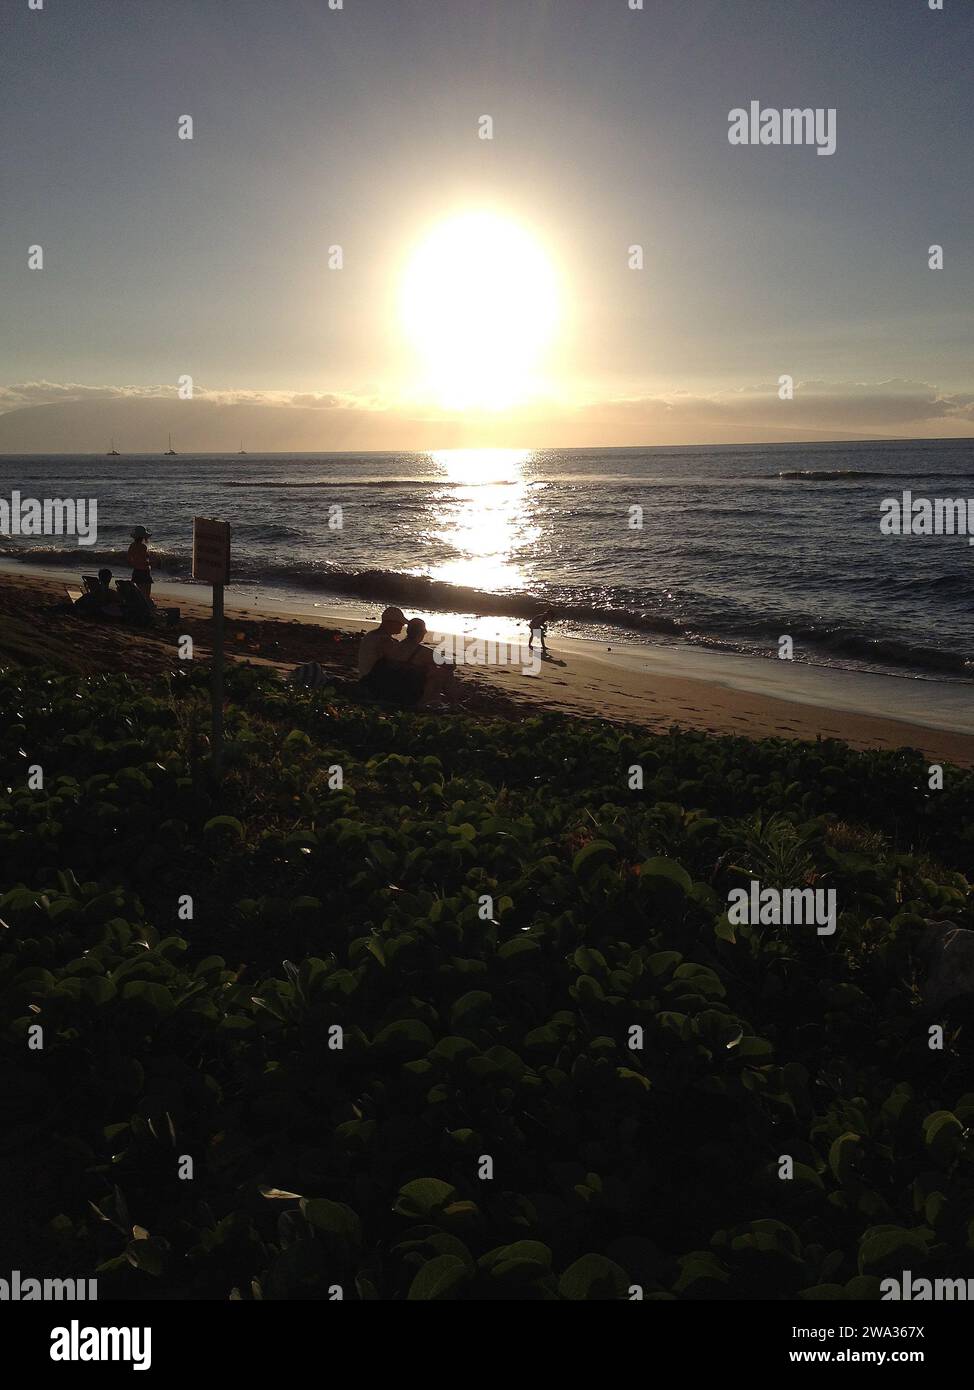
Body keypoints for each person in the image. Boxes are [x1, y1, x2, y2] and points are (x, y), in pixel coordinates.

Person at [358, 606, 423, 705]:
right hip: (373, 682)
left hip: (369, 678)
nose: (402, 626)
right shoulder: (383, 641)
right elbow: (400, 658)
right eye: (400, 623)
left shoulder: (373, 635)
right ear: (390, 623)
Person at [393, 617, 457, 707]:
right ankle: (452, 699)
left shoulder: (395, 646)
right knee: (444, 672)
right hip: (413, 692)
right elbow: (451, 665)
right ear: (422, 632)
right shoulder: (422, 652)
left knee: (429, 667)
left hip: (394, 688)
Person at [126, 526, 153, 599]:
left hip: (136, 571)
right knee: (146, 594)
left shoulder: (132, 546)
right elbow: (145, 560)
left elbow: (128, 558)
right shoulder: (143, 547)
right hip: (144, 571)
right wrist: (150, 562)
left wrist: (134, 563)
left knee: (138, 593)